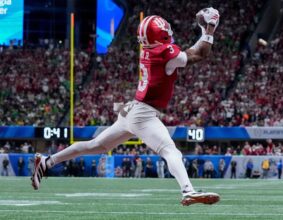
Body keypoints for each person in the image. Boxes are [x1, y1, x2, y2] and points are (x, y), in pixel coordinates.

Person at [31, 7, 220, 206]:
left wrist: (204, 30)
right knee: (170, 151)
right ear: (161, 34)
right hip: (143, 113)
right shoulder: (165, 51)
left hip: (130, 109)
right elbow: (199, 54)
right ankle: (187, 191)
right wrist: (209, 28)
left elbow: (189, 53)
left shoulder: (151, 49)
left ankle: (47, 162)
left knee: (94, 146)